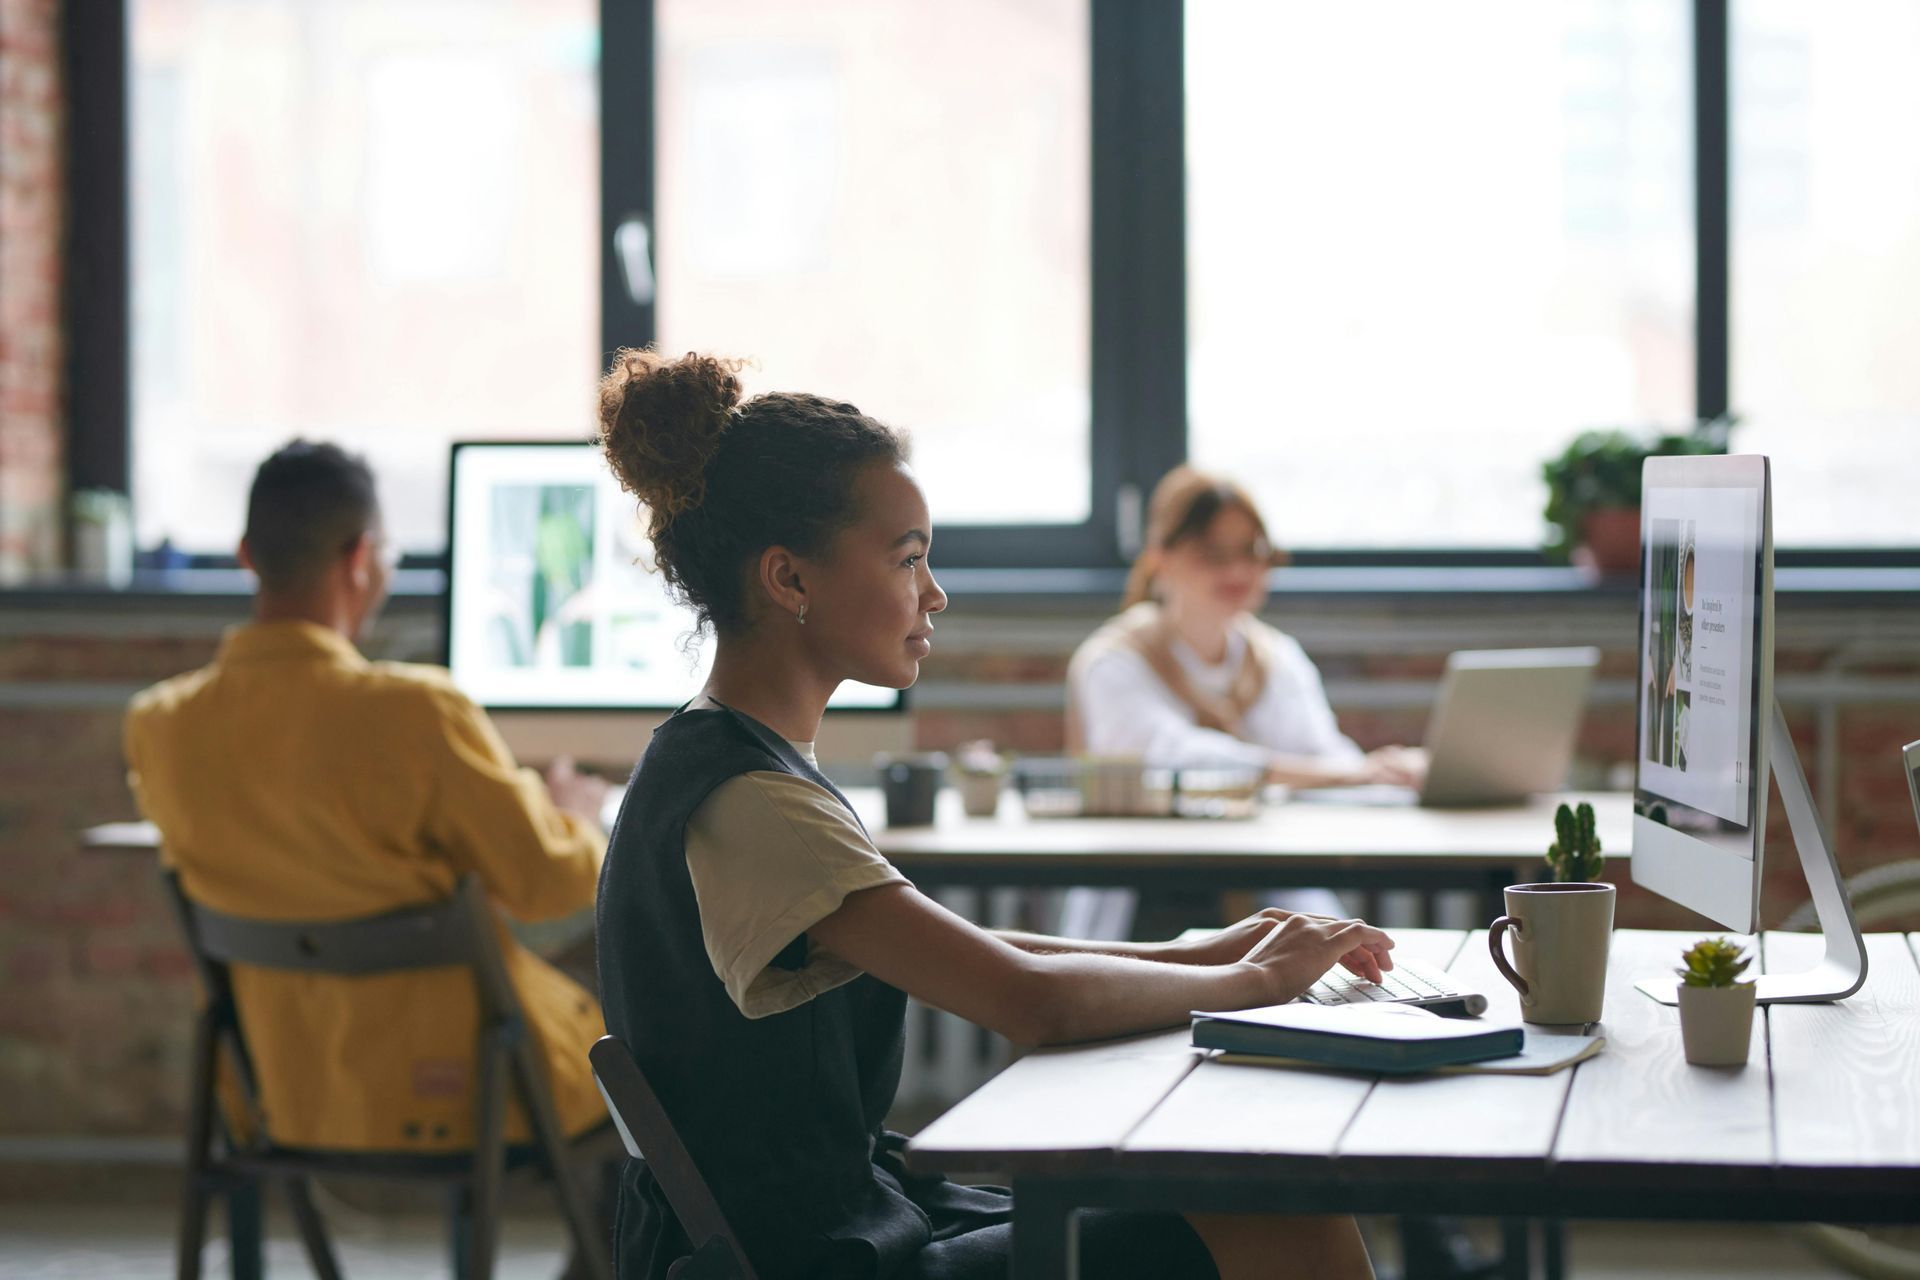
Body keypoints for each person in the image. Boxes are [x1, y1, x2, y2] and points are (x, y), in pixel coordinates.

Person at [594, 349, 1391, 1280]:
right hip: (821, 1259)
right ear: (789, 580)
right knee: (1283, 1222)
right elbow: (1030, 1001)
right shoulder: (749, 801)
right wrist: (1252, 985)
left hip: (844, 1223)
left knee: (1253, 1202)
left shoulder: (737, 761)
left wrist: (1217, 949)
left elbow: (981, 950)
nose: (934, 594)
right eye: (909, 559)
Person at [124, 441, 611, 1156]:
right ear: (360, 558)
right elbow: (546, 886)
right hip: (473, 1091)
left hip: (278, 1097)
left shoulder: (160, 725)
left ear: (246, 556)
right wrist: (573, 817)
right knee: (650, 1070)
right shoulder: (417, 713)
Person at [1068, 465, 1425, 790]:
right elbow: (1169, 761)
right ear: (1161, 559)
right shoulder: (1114, 662)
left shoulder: (1275, 656)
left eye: (1251, 552)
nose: (1237, 572)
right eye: (1213, 553)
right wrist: (1350, 773)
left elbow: (1323, 754)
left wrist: (1391, 771)